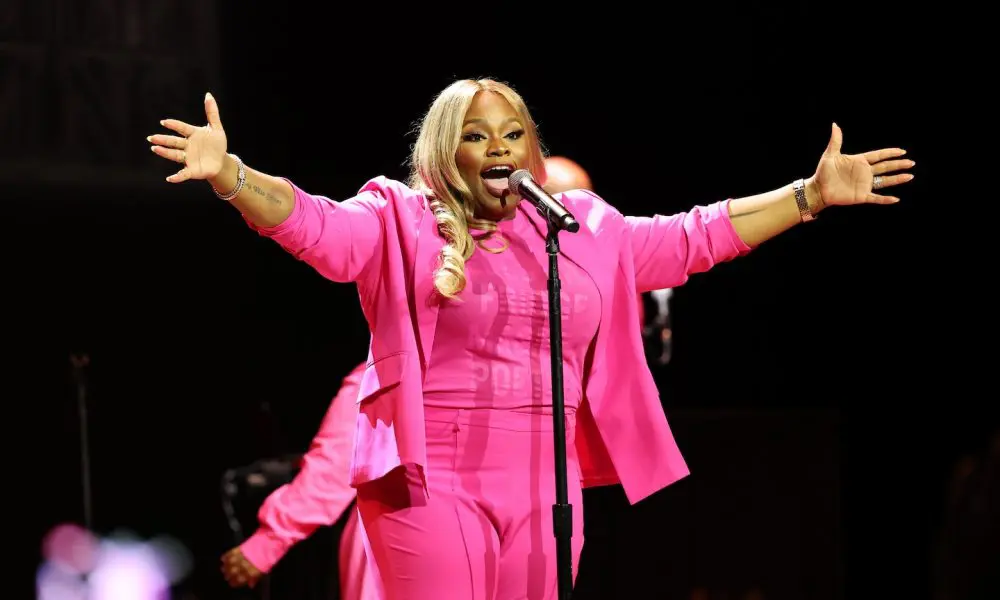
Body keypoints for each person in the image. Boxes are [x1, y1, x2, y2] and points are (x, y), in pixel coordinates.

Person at [149, 78, 914, 599]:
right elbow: (313, 222)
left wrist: (808, 196)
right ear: (449, 151)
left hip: (547, 483)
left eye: (514, 133)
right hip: (429, 477)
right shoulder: (397, 219)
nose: (501, 148)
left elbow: (693, 237)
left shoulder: (581, 228)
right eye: (479, 136)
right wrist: (232, 176)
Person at [219, 362, 380, 600]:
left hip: (396, 536)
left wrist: (269, 540)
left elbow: (340, 459)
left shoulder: (389, 364)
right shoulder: (450, 360)